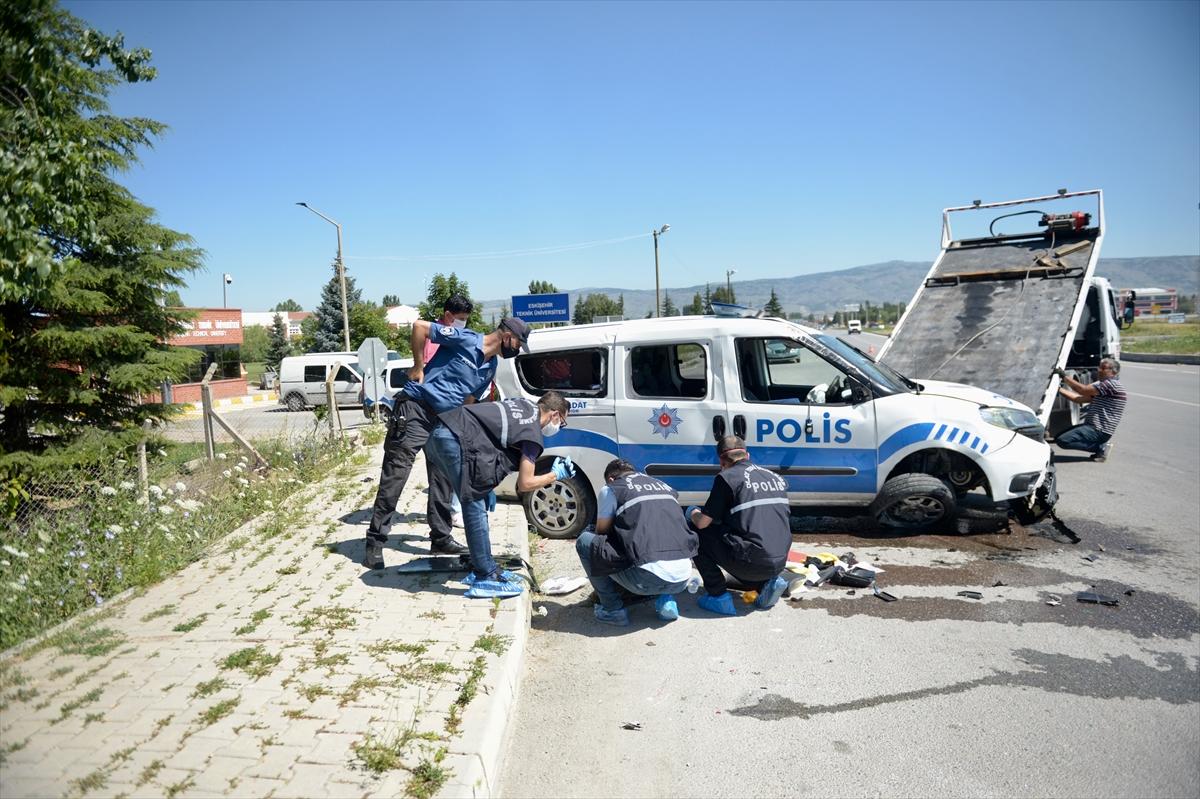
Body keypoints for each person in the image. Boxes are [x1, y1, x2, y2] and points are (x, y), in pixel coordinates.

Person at [362, 314, 532, 569]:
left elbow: (469, 402)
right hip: (416, 409)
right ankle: (375, 541)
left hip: (444, 420)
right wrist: (419, 366)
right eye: (518, 344)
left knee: (443, 479)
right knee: (396, 475)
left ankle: (440, 538)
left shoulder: (490, 367)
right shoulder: (467, 339)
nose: (517, 350)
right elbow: (419, 327)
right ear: (508, 336)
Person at [425, 392, 572, 598]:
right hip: (454, 439)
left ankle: (485, 567)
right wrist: (555, 475)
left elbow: (490, 439)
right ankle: (485, 576)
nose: (558, 427)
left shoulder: (522, 405)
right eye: (561, 423)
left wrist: (487, 488)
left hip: (438, 432)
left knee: (475, 495)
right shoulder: (532, 434)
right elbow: (525, 483)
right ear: (555, 414)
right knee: (474, 504)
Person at [574, 459, 699, 626]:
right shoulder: (664, 486)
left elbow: (602, 531)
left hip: (646, 580)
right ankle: (666, 602)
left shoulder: (611, 488)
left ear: (611, 478)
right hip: (682, 579)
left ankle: (612, 610)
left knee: (585, 541)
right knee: (660, 537)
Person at [685, 436, 791, 615]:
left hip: (752, 562)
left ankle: (718, 596)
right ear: (747, 455)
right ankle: (767, 583)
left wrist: (692, 512)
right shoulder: (775, 477)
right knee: (748, 544)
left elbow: (703, 523)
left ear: (721, 461)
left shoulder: (727, 478)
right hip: (779, 562)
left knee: (694, 529)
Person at [1054, 358, 1126, 462]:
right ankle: (1099, 446)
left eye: (1103, 368)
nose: (1099, 370)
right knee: (1058, 437)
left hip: (1099, 430)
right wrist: (1058, 389)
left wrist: (1064, 376)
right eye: (1099, 367)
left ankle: (1101, 448)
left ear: (1113, 372)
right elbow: (1078, 399)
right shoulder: (1104, 387)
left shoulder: (1111, 385)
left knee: (1063, 440)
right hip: (1092, 427)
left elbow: (1083, 390)